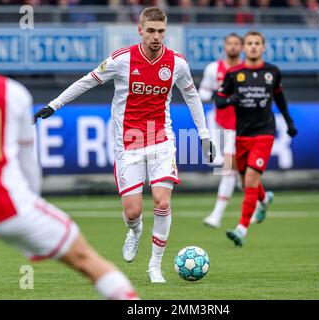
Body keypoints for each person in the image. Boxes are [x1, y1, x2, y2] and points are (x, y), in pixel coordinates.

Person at [0, 16, 138, 300]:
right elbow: (28, 158)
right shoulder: (13, 93)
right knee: (86, 259)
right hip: (11, 203)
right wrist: (32, 203)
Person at [34, 7, 215, 282]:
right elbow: (87, 82)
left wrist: (203, 133)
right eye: (151, 31)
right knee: (133, 212)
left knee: (162, 202)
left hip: (161, 140)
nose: (156, 37)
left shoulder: (177, 63)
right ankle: (135, 230)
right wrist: (54, 105)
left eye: (161, 31)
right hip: (128, 142)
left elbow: (192, 96)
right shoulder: (121, 60)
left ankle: (155, 266)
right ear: (140, 30)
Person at [215, 31, 298, 247]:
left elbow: (279, 98)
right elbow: (219, 100)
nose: (253, 47)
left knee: (250, 180)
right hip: (242, 134)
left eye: (257, 43)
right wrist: (231, 99)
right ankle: (263, 199)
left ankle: (241, 229)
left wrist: (289, 122)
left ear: (263, 47)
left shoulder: (273, 72)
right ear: (244, 48)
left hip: (264, 132)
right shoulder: (234, 73)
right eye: (249, 43)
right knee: (246, 183)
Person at [198, 33, 243, 229]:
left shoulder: (247, 70)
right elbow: (202, 92)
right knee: (226, 166)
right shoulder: (213, 68)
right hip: (219, 123)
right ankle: (258, 195)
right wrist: (216, 94)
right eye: (229, 43)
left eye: (236, 44)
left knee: (227, 167)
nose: (232, 47)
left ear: (241, 47)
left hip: (242, 125)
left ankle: (216, 215)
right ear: (225, 46)